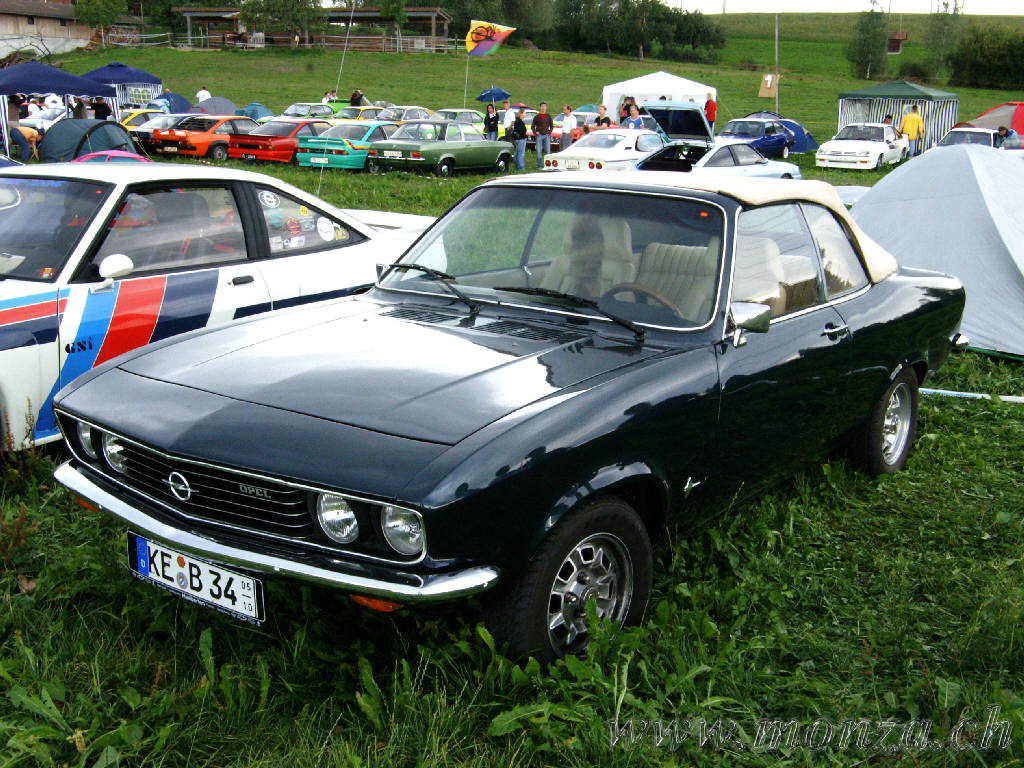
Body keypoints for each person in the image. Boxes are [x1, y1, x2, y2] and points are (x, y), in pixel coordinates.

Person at [532, 101, 553, 169]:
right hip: (539, 136)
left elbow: (551, 126)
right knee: (539, 151)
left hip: (547, 136)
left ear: (546, 108)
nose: (543, 108)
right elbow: (532, 126)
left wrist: (549, 132)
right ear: (540, 107)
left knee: (548, 151)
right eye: (542, 106)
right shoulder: (537, 117)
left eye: (544, 106)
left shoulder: (548, 116)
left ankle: (548, 166)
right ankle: (540, 166)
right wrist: (535, 132)